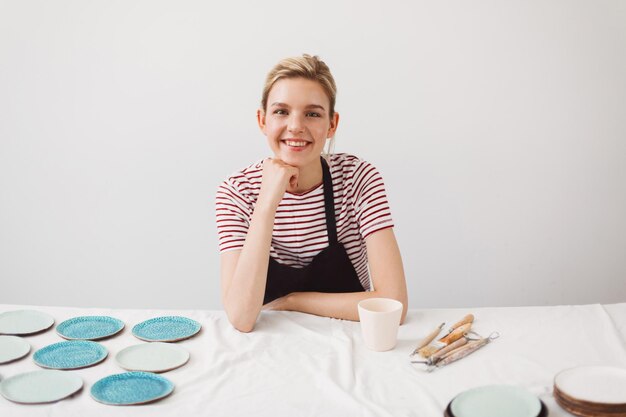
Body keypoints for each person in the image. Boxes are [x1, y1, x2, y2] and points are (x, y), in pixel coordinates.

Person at [216, 54, 408, 332]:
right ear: (262, 120)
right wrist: (267, 201)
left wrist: (292, 301)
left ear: (332, 124)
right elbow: (241, 317)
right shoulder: (236, 191)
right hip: (268, 344)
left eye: (313, 113)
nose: (295, 126)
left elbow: (393, 304)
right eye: (281, 111)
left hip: (351, 341)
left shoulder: (358, 179)